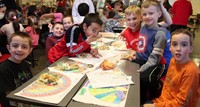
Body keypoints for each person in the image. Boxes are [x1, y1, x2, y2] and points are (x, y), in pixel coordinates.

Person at [143, 29, 200, 107]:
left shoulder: (191, 72)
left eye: (184, 45)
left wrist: (155, 105)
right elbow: (168, 84)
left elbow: (181, 103)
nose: (178, 49)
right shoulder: (173, 61)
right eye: (174, 44)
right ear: (170, 48)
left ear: (190, 48)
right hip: (164, 100)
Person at [130, 0, 168, 104]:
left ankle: (156, 91)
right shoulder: (143, 25)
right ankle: (140, 97)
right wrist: (136, 53)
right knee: (128, 68)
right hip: (141, 59)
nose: (147, 16)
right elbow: (142, 44)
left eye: (151, 13)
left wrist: (144, 67)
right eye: (145, 14)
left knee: (145, 78)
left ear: (159, 14)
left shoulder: (160, 33)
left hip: (156, 63)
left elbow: (155, 57)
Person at [0, 32, 33, 107]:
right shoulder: (3, 69)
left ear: (30, 50)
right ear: (9, 48)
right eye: (15, 46)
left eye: (24, 47)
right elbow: (11, 97)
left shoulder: (26, 64)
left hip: (26, 98)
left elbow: (30, 84)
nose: (19, 49)